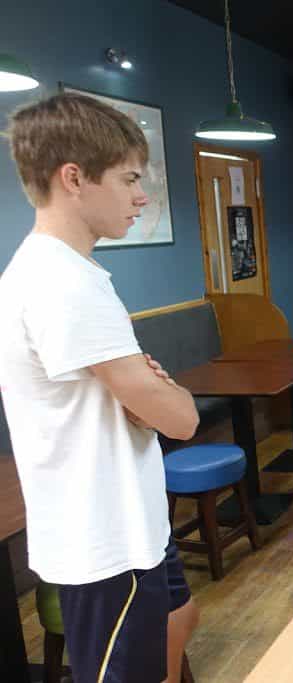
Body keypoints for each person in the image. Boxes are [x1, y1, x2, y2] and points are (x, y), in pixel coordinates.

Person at [0, 92, 199, 682]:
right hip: (104, 538)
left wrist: (144, 392)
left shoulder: (67, 273)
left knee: (180, 617)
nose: (142, 196)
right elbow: (180, 419)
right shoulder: (62, 282)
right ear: (74, 178)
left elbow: (144, 399)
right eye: (130, 179)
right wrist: (154, 394)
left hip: (132, 522)